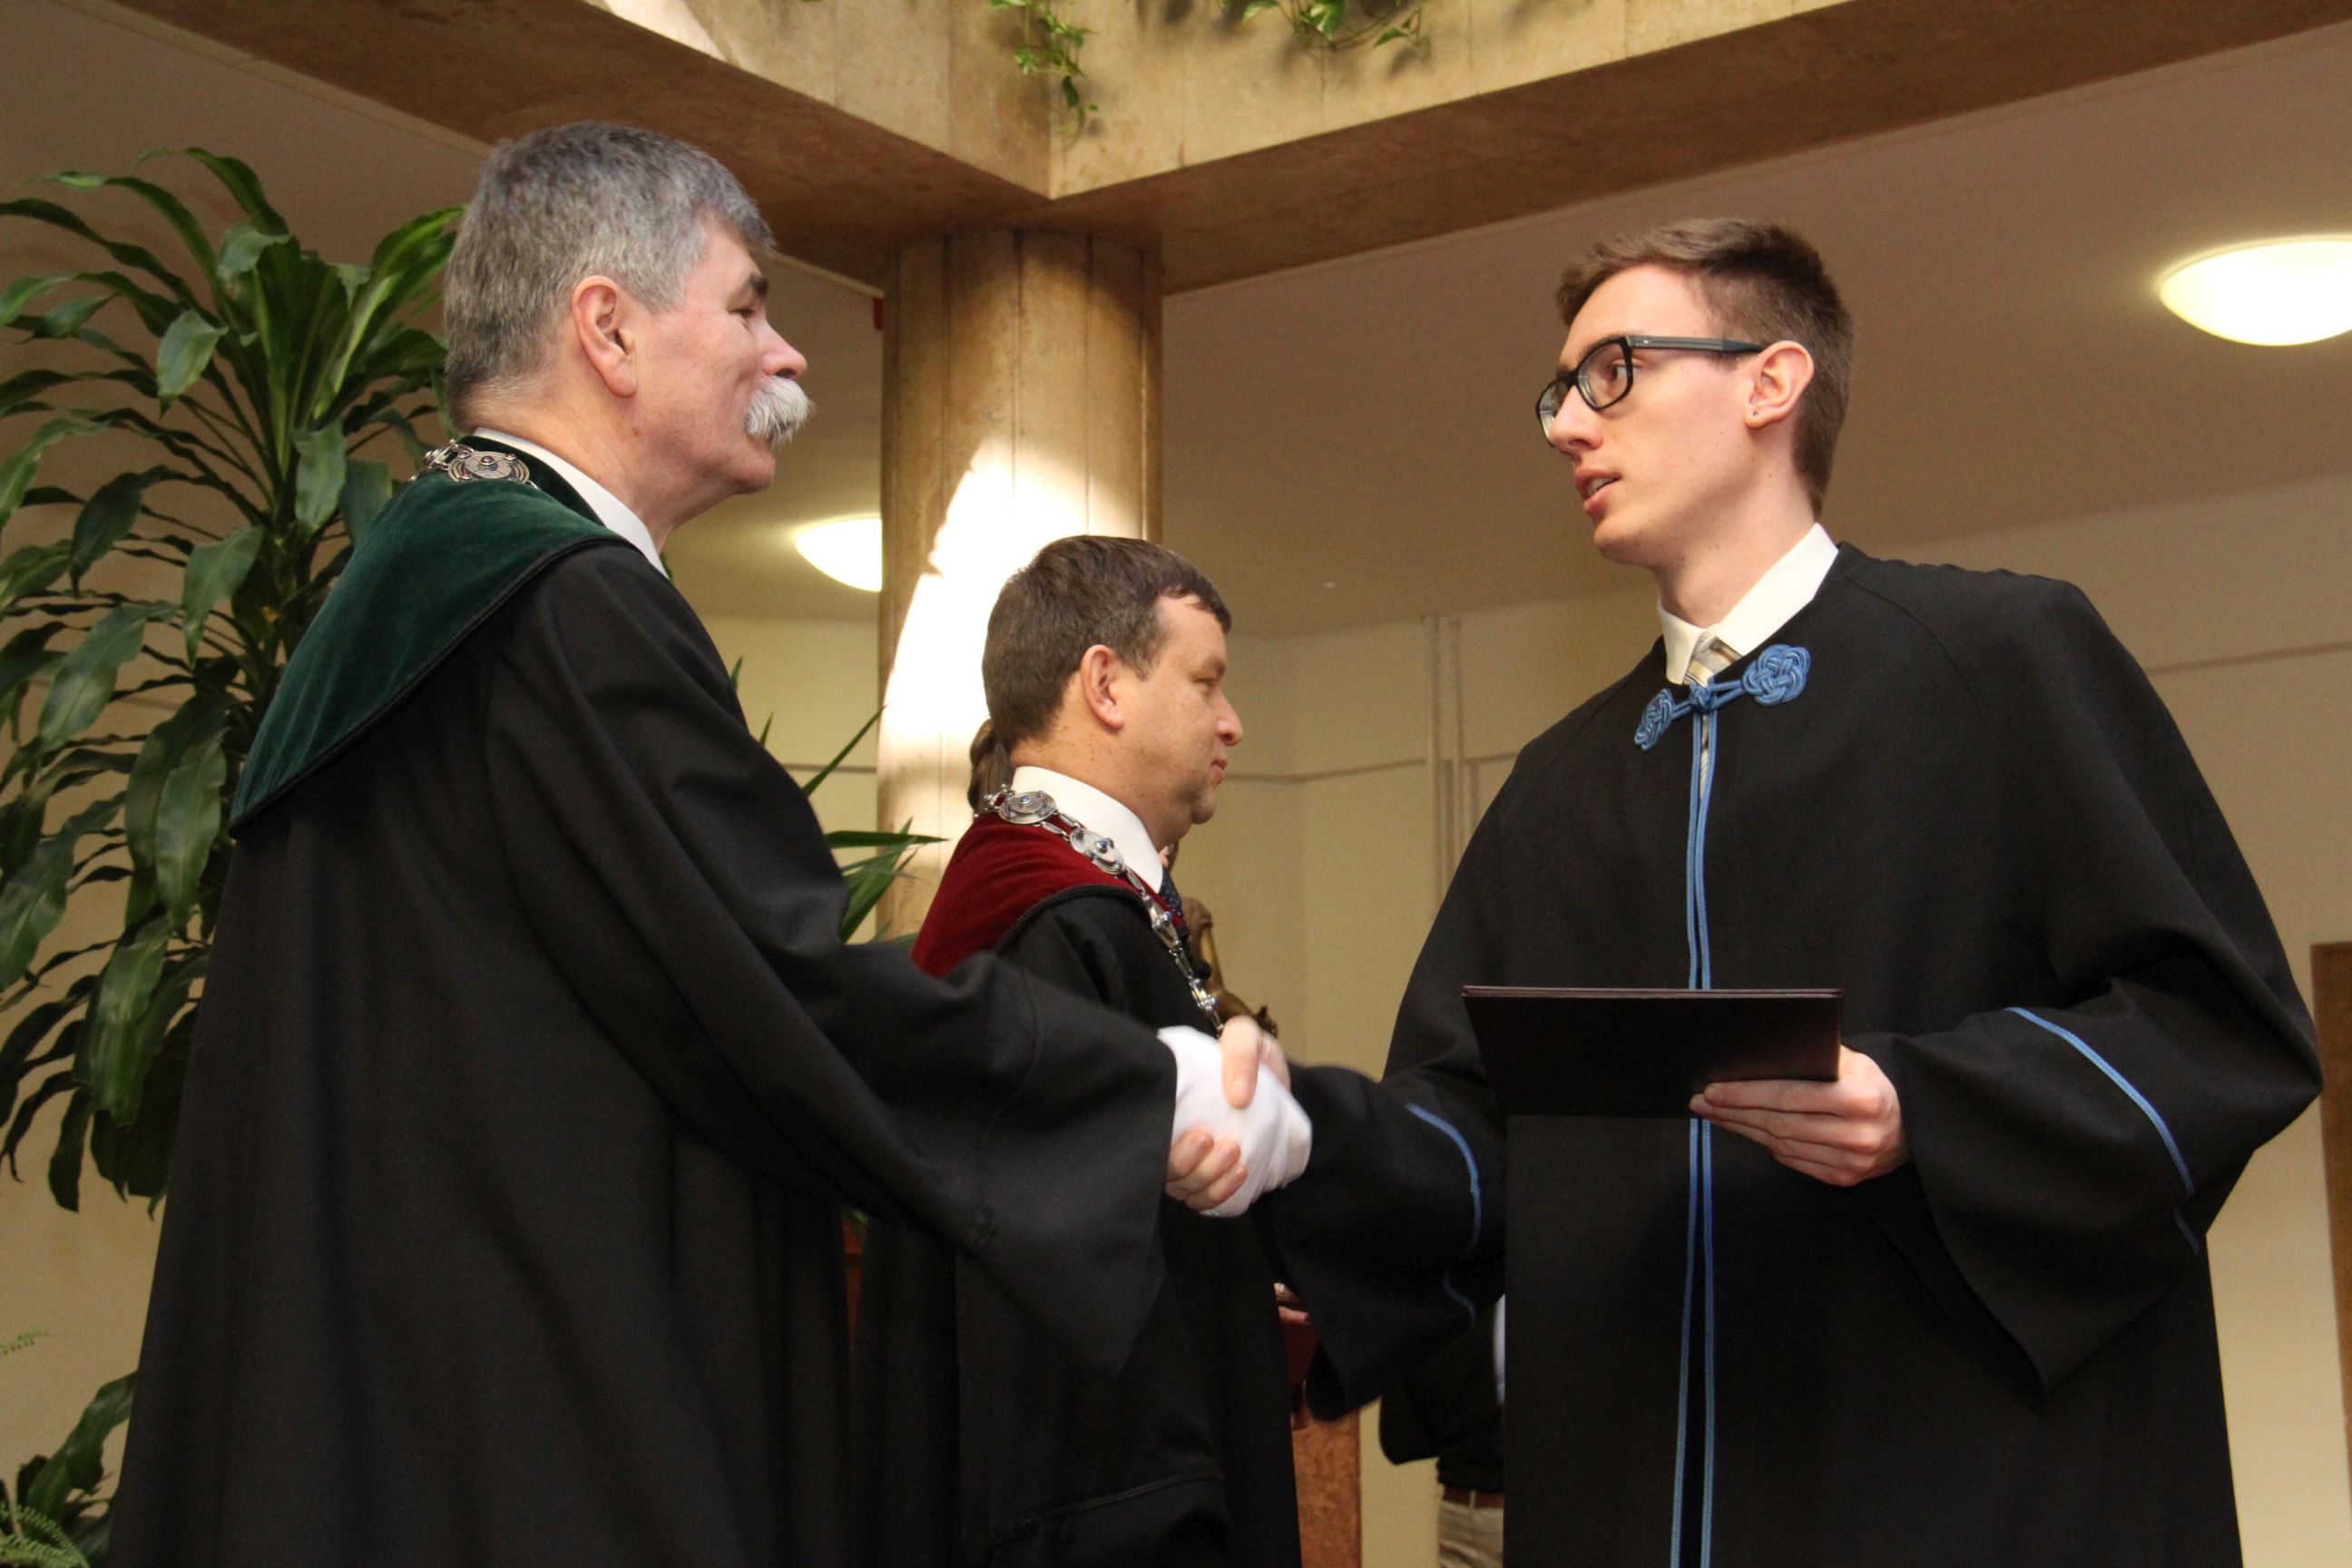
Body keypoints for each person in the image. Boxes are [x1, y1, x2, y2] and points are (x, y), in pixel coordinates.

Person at [106, 122, 1306, 1568]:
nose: (785, 355)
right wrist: (1146, 1092)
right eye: (746, 306)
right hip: (560, 1440)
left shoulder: (403, 599)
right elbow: (772, 987)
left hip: (396, 1436)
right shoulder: (567, 605)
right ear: (608, 329)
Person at [1367, 217, 2319, 1565]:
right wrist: (1286, 1156)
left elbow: (2220, 1027)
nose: (1568, 425)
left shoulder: (2000, 659)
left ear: (1771, 381)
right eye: (1560, 392)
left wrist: (1920, 1106)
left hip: (1956, 1492)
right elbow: (1458, 1118)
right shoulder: (1558, 784)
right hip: (1640, 1501)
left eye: (1613, 372)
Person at [854, 536, 1303, 1567]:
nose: (1231, 721)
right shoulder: (1053, 921)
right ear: (1105, 684)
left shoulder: (1069, 901)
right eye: (1205, 683)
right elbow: (1069, 1326)